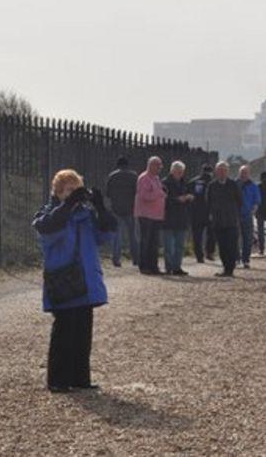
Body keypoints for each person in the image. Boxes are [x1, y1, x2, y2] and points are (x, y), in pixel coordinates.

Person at [33, 169, 116, 392]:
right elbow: (47, 230)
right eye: (68, 190)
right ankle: (58, 379)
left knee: (82, 331)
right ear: (58, 192)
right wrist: (68, 206)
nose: (73, 194)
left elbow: (105, 235)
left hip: (86, 279)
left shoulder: (85, 214)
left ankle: (80, 377)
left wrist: (100, 208)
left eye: (76, 189)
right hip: (64, 279)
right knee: (63, 330)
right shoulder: (50, 212)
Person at [207, 162, 242, 277]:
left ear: (227, 172)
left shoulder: (233, 185)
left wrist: (235, 213)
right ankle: (225, 267)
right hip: (218, 221)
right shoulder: (212, 186)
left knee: (231, 246)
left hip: (231, 220)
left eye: (224, 170)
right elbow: (208, 201)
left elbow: (239, 200)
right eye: (219, 170)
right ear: (216, 172)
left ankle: (230, 269)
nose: (222, 173)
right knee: (222, 246)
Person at [134, 156, 166, 275]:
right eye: (157, 165)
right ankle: (144, 266)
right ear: (150, 165)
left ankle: (154, 266)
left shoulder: (156, 178)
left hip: (156, 215)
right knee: (145, 241)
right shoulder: (144, 178)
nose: (159, 168)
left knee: (154, 242)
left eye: (160, 166)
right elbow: (144, 196)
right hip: (145, 214)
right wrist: (159, 193)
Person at [105, 156, 138, 268]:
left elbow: (108, 193)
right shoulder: (134, 176)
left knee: (117, 235)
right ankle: (136, 259)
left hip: (116, 209)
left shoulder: (112, 176)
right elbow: (137, 192)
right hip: (130, 208)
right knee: (132, 235)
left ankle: (116, 259)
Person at [162, 161, 193, 275]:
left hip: (182, 217)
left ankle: (177, 267)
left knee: (180, 245)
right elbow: (163, 200)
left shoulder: (185, 183)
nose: (179, 174)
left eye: (181, 172)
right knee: (169, 246)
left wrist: (189, 198)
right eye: (177, 172)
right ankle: (169, 267)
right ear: (172, 171)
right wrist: (177, 200)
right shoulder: (165, 183)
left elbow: (189, 195)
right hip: (169, 217)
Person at [188, 163, 216, 263]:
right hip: (210, 212)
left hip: (196, 212)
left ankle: (199, 256)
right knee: (211, 234)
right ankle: (210, 253)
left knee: (197, 236)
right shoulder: (213, 182)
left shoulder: (193, 182)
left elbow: (189, 196)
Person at [238, 165, 261, 269]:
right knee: (235, 238)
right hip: (235, 215)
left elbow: (257, 201)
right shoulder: (234, 184)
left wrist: (253, 211)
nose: (244, 174)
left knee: (247, 238)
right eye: (242, 172)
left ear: (249, 173)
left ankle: (246, 259)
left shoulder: (253, 186)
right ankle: (236, 258)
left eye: (246, 172)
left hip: (247, 215)